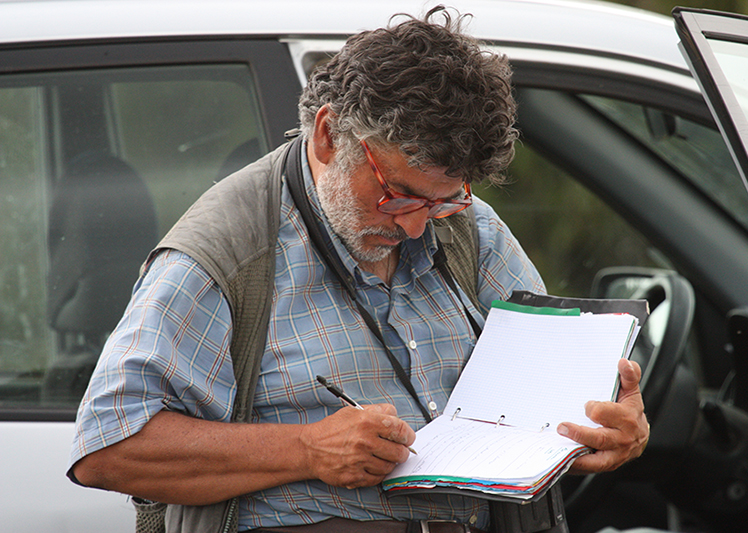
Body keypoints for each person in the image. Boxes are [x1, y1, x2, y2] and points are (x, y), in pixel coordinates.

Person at [68, 6, 649, 532]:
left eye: (444, 200)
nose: (419, 227)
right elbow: (108, 451)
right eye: (398, 194)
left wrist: (607, 423)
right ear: (327, 135)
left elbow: (547, 395)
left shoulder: (471, 229)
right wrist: (305, 449)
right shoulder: (227, 253)